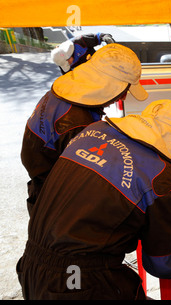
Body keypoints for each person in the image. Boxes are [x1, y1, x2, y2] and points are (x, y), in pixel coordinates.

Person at [16, 99, 171, 300]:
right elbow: (164, 265)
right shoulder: (161, 176)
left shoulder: (91, 132)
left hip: (31, 266)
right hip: (77, 284)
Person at [21, 43, 148, 214]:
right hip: (57, 204)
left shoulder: (64, 94)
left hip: (42, 185)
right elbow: (88, 184)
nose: (124, 96)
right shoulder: (77, 124)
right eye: (123, 90)